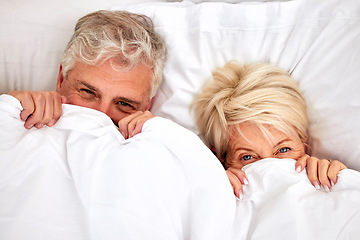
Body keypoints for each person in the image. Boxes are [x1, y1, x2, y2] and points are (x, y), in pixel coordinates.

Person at [192, 61, 347, 199]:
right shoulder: (215, 193)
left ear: (304, 144)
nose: (271, 168)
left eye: (284, 149)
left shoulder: (331, 181)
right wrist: (209, 193)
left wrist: (343, 182)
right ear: (222, 160)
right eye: (247, 157)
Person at [8, 10, 166, 139]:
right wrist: (10, 110)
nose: (100, 115)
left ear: (147, 106)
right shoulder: (16, 118)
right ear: (62, 79)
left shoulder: (162, 146)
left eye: (124, 104)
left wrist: (165, 141)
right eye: (88, 92)